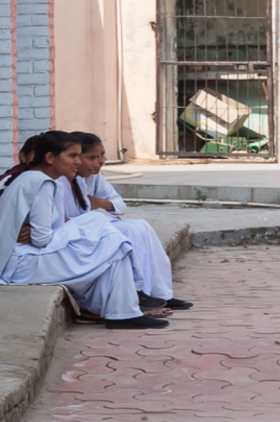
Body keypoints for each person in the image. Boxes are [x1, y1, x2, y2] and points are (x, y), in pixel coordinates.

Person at [0, 131, 169, 330]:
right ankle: (122, 311)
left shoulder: (31, 178)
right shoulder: (42, 183)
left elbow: (48, 228)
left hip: (18, 260)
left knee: (107, 240)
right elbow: (42, 239)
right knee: (105, 235)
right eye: (72, 156)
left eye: (78, 156)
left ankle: (122, 311)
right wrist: (80, 232)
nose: (77, 162)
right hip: (20, 265)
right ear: (50, 157)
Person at [63, 132, 193, 311]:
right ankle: (137, 292)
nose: (99, 161)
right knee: (130, 231)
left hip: (91, 228)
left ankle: (160, 293)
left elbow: (119, 205)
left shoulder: (93, 177)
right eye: (91, 157)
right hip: (76, 233)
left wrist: (100, 203)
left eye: (102, 156)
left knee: (141, 226)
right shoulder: (62, 180)